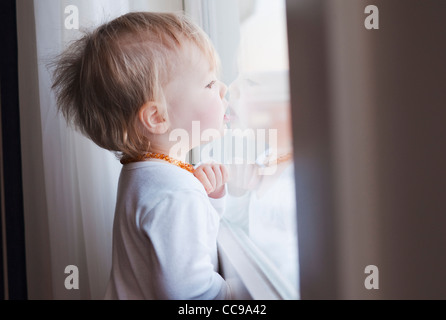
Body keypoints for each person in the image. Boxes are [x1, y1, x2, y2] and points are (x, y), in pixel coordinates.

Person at [51, 12, 231, 300]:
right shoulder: (175, 192)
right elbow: (190, 294)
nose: (223, 89)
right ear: (157, 117)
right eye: (209, 84)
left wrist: (210, 200)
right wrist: (239, 297)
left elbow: (182, 245)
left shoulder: (147, 174)